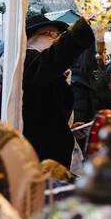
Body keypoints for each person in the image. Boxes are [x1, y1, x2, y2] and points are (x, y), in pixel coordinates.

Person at [23, 14, 94, 167]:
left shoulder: (56, 72)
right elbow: (55, 57)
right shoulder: (27, 61)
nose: (54, 38)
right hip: (38, 159)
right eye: (48, 34)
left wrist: (69, 129)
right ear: (28, 39)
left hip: (53, 158)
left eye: (57, 35)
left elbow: (50, 116)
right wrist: (84, 25)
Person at [70, 46, 111, 124]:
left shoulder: (93, 77)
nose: (104, 56)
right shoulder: (78, 84)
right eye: (101, 52)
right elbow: (78, 118)